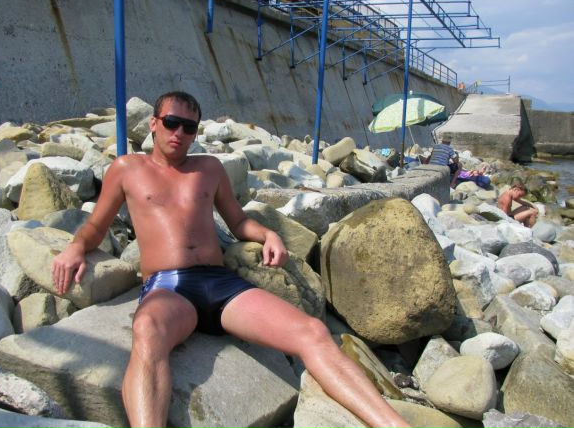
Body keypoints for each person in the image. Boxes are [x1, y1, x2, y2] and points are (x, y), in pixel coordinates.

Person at [51, 91, 412, 428]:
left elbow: (238, 222)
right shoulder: (126, 169)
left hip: (220, 283)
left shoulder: (208, 168)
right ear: (154, 123)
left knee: (313, 332)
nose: (179, 133)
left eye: (189, 127)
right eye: (172, 123)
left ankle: (394, 424)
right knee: (147, 330)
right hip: (169, 286)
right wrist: (76, 247)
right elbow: (96, 225)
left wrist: (269, 234)